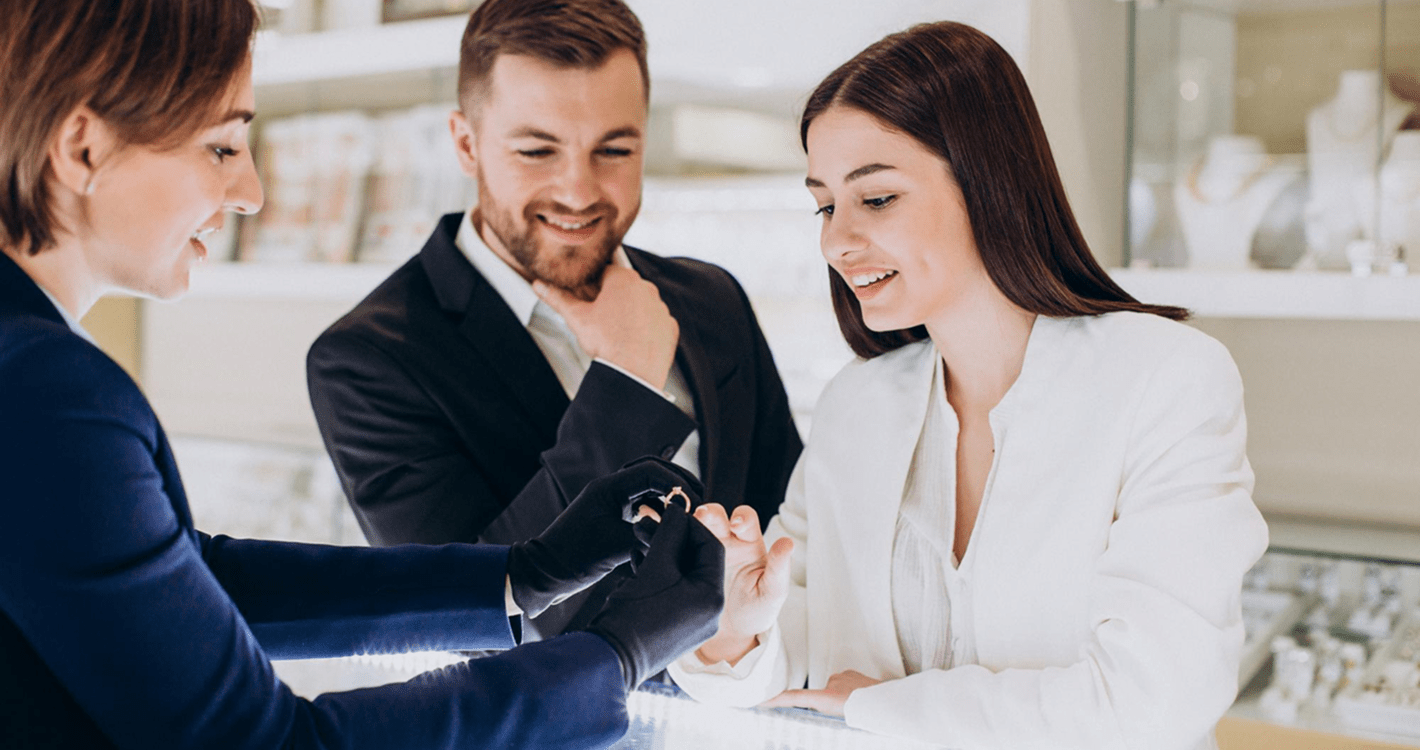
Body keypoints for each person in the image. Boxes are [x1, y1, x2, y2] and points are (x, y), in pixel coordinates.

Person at [0, 1, 722, 748]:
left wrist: (529, 571)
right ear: (82, 148)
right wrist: (611, 659)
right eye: (221, 148)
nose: (250, 192)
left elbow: (193, 585)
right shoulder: (47, 390)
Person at [670, 21, 1270, 750]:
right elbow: (799, 658)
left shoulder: (1166, 377)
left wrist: (881, 707)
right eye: (825, 205)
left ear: (988, 180)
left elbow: (1153, 699)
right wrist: (736, 631)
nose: (835, 240)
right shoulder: (856, 406)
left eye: (877, 199)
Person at [305, 0, 802, 640]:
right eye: (538, 151)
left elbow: (794, 524)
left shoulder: (712, 298)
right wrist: (627, 384)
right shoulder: (366, 360)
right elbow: (473, 616)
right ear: (465, 143)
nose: (578, 191)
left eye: (614, 149)